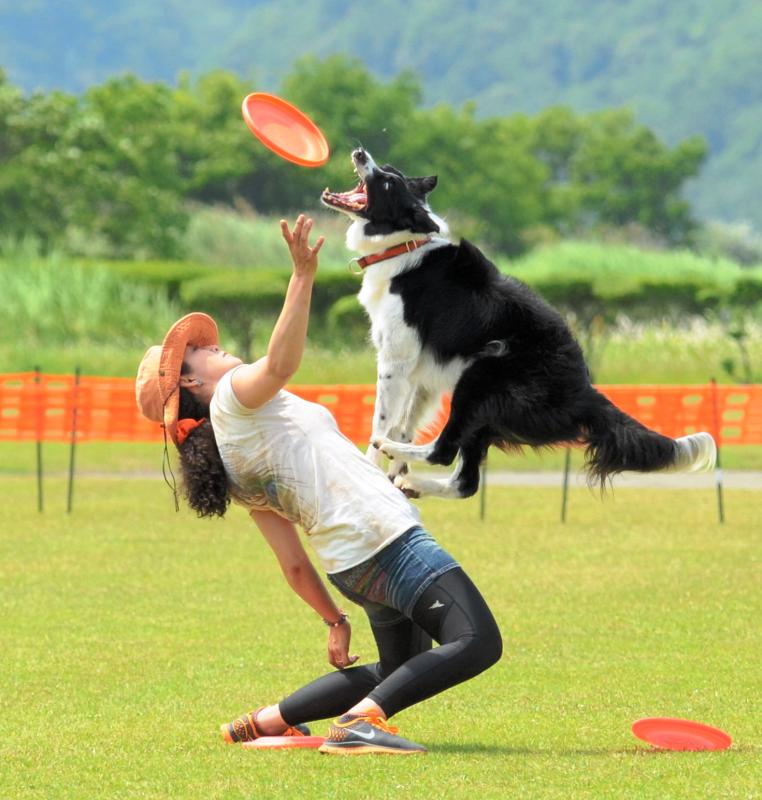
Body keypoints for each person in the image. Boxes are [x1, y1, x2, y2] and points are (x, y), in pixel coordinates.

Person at [135, 215, 502, 755]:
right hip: (385, 543)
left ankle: (264, 721)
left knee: (396, 671)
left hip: (351, 565)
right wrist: (302, 275)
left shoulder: (232, 460)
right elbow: (281, 363)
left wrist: (334, 619)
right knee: (477, 642)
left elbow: (292, 562)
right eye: (202, 352)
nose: (215, 349)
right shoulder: (234, 397)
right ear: (191, 381)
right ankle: (357, 727)